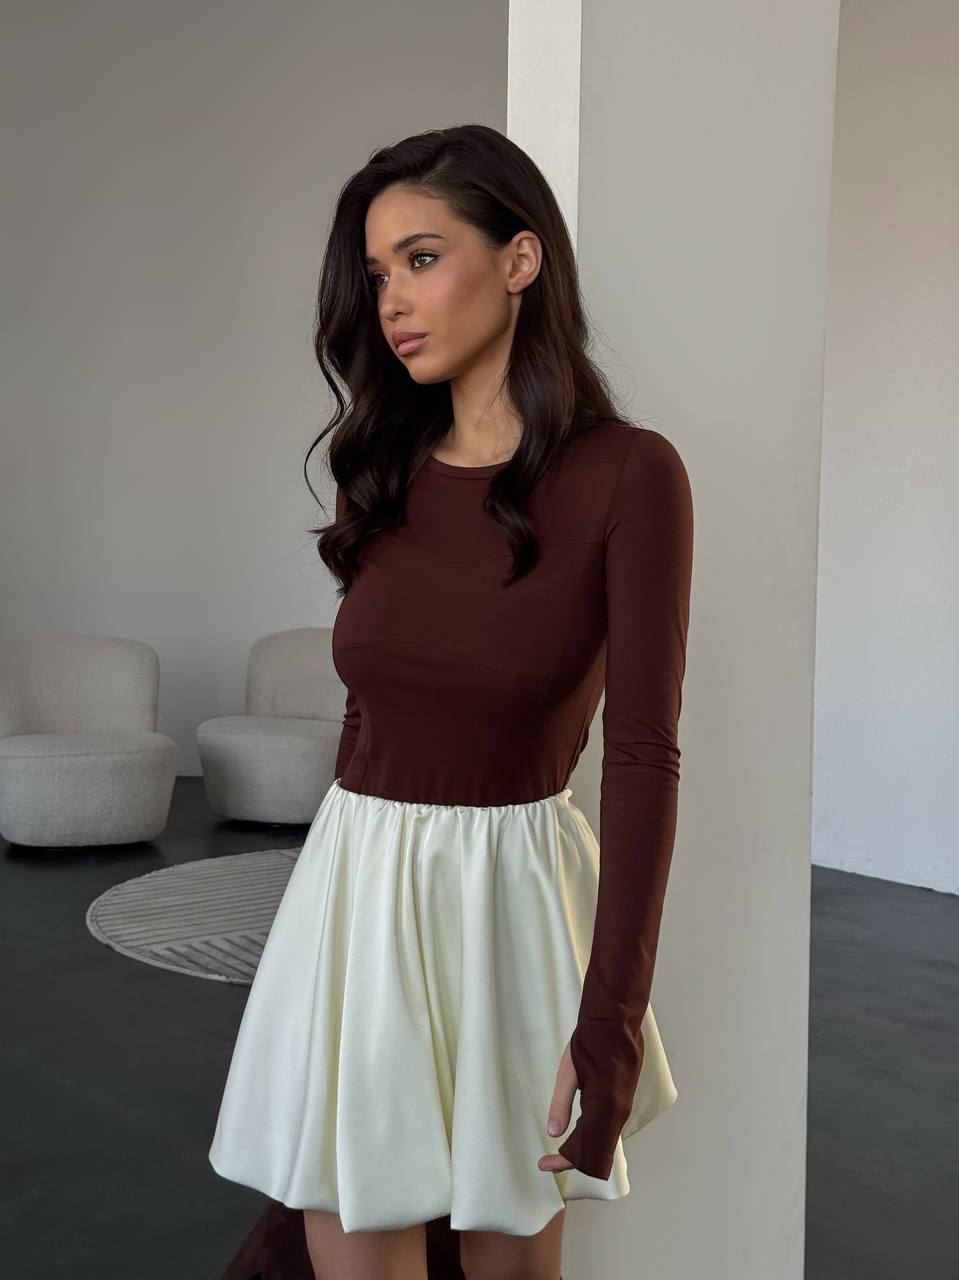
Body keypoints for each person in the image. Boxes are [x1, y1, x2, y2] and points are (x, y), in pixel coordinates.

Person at [209, 122, 694, 1280]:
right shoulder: (381, 465)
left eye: (421, 258)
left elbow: (641, 755)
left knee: (505, 1255)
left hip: (514, 907)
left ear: (519, 260)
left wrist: (609, 1021)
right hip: (357, 899)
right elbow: (371, 713)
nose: (391, 299)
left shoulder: (628, 474)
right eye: (377, 275)